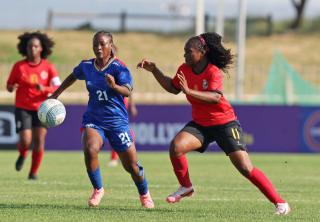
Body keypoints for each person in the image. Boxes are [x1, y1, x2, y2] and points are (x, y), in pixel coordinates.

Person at [137, 32, 290, 215]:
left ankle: (280, 203)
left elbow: (215, 97)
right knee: (176, 147)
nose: (184, 55)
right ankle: (186, 186)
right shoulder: (184, 69)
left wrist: (190, 92)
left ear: (202, 52)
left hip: (225, 123)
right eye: (184, 52)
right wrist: (155, 70)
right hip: (201, 124)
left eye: (188, 51)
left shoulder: (213, 71)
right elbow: (173, 88)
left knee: (244, 167)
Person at [49, 31, 154, 208]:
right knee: (90, 148)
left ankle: (144, 193)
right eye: (95, 44)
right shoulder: (87, 66)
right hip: (94, 119)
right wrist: (56, 94)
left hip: (117, 123)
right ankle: (98, 189)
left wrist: (114, 86)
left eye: (102, 44)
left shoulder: (119, 68)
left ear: (110, 46)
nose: (98, 47)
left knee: (132, 166)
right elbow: (73, 76)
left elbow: (128, 91)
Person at [6, 31, 61, 180]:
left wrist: (45, 89)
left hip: (42, 109)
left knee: (39, 140)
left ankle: (33, 173)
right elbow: (9, 85)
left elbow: (58, 86)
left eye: (36, 46)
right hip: (23, 107)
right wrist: (11, 87)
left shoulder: (49, 67)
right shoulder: (19, 66)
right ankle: (23, 154)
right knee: (25, 140)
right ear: (26, 48)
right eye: (30, 46)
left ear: (41, 48)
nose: (33, 49)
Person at [108, 95, 138, 167]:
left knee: (124, 134)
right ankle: (117, 158)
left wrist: (132, 105)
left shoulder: (124, 85)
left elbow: (129, 90)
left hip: (121, 106)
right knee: (121, 134)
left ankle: (120, 158)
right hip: (115, 106)